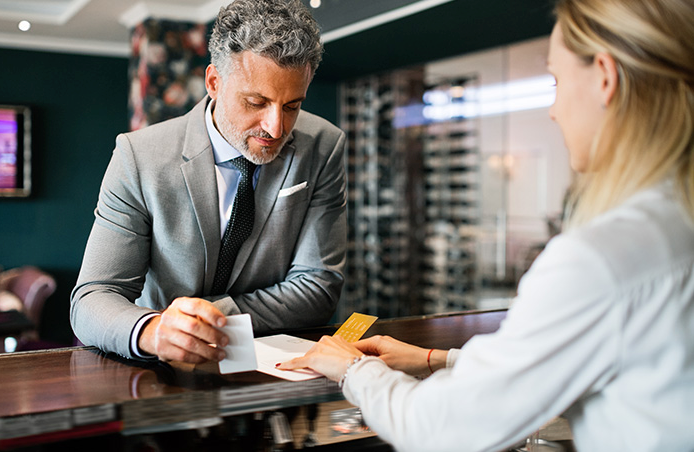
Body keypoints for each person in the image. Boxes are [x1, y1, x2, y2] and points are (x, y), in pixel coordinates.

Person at [279, 0, 694, 450]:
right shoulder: (672, 225)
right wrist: (438, 359)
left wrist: (352, 369)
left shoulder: (601, 258)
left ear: (606, 79)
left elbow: (441, 431)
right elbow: (555, 360)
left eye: (556, 81)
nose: (553, 110)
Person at [71, 0, 346, 364]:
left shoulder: (324, 146)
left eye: (292, 106)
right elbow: (92, 299)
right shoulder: (139, 157)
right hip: (159, 370)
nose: (276, 128)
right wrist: (154, 329)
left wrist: (205, 319)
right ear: (214, 82)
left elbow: (318, 288)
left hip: (274, 370)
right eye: (255, 102)